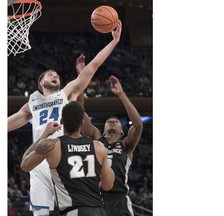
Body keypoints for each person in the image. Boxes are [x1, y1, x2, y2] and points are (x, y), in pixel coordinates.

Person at [8, 20, 122, 216]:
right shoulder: (31, 104)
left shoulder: (66, 93)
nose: (55, 76)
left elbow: (93, 66)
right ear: (40, 83)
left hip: (64, 154)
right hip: (40, 157)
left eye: (57, 75)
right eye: (50, 74)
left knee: (73, 209)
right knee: (41, 213)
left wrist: (113, 42)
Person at [21, 101, 115, 216]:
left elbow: (25, 165)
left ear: (61, 122)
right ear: (82, 123)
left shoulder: (52, 146)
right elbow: (108, 185)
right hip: (99, 211)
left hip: (73, 211)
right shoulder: (98, 147)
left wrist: (44, 135)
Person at [79, 75, 143, 216]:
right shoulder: (96, 139)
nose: (112, 121)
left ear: (122, 131)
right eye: (109, 121)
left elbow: (138, 124)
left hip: (119, 200)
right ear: (103, 129)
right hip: (96, 199)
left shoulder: (126, 144)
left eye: (116, 121)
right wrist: (82, 80)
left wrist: (121, 94)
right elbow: (80, 115)